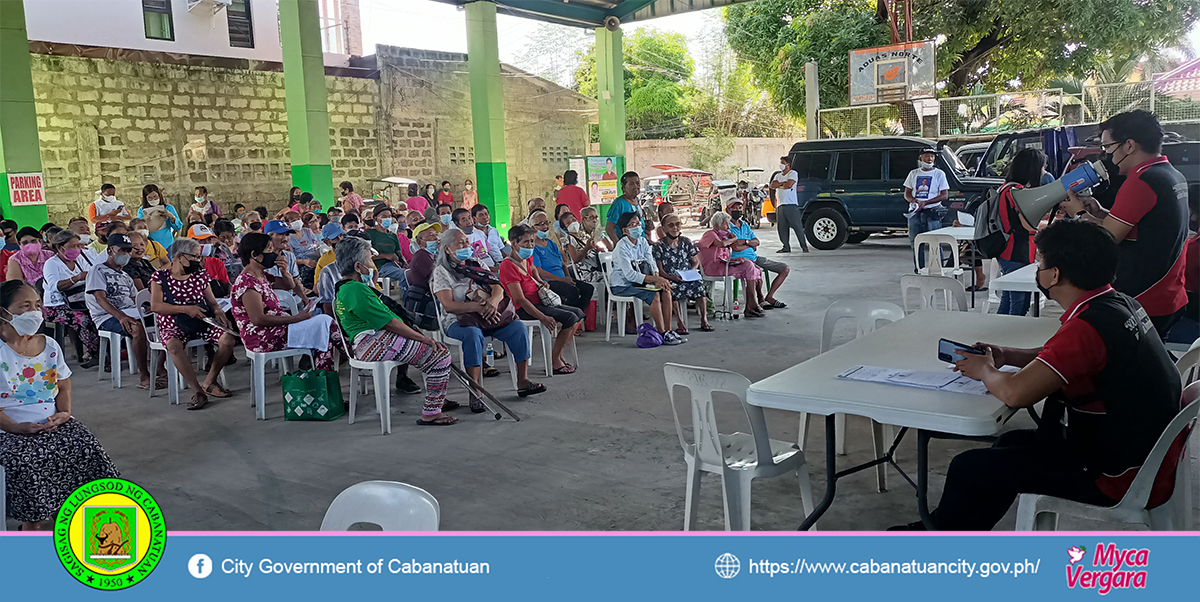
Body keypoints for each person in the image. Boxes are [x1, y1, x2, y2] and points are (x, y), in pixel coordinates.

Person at [894, 219, 1185, 531]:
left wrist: (985, 371)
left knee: (969, 467)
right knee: (1010, 442)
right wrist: (1007, 354)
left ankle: (938, 539)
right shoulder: (1117, 303)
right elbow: (1064, 357)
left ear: (1055, 274)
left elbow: (1016, 394)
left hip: (1115, 474)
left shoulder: (1086, 328)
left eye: (1041, 261)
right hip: (1137, 452)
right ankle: (952, 529)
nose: (1038, 268)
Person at [0, 280, 120, 531]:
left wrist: (64, 413)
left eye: (38, 305)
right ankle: (31, 524)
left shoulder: (49, 346)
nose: (34, 312)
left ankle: (77, 517)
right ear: (4, 313)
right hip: (7, 428)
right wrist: (16, 428)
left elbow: (63, 386)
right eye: (25, 306)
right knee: (28, 459)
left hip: (50, 420)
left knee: (86, 447)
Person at [1061, 110, 1189, 337]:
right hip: (1170, 293)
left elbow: (1107, 238)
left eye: (1108, 148)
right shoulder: (1170, 174)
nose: (1107, 156)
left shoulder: (1141, 180)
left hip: (1143, 297)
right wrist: (1101, 213)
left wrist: (1078, 212)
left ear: (1129, 145)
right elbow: (1145, 227)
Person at [333, 236, 458, 424]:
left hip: (372, 342)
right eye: (369, 261)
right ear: (358, 267)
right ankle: (431, 412)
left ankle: (437, 400)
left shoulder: (352, 288)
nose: (373, 265)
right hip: (373, 343)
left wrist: (372, 279)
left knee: (433, 355)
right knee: (439, 355)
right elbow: (390, 323)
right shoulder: (356, 291)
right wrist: (424, 339)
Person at [432, 229, 546, 399]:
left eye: (467, 242)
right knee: (473, 334)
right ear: (447, 249)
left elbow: (497, 287)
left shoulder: (476, 264)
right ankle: (475, 391)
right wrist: (478, 308)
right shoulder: (442, 271)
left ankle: (523, 381)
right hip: (458, 320)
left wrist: (493, 302)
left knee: (517, 327)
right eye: (460, 243)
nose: (466, 246)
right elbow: (449, 305)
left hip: (488, 315)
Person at [150, 238, 237, 410]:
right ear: (180, 256)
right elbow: (156, 305)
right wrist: (185, 309)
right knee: (174, 345)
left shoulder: (200, 275)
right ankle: (198, 391)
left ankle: (210, 381)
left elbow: (212, 302)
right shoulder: (160, 277)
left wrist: (220, 313)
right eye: (195, 257)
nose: (199, 261)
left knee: (228, 339)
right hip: (173, 323)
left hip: (201, 321)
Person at [232, 232, 338, 369]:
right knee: (324, 323)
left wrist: (284, 271)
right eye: (269, 249)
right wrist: (296, 318)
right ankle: (351, 355)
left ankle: (324, 376)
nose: (274, 254)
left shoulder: (262, 276)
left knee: (323, 329)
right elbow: (258, 319)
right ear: (254, 255)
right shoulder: (247, 282)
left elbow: (289, 285)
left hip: (276, 330)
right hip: (261, 337)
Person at [502, 224, 584, 373]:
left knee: (578, 314)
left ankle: (559, 353)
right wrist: (543, 317)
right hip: (524, 309)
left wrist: (539, 281)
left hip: (540, 300)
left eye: (532, 241)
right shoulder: (507, 266)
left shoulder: (527, 258)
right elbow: (519, 299)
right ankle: (555, 360)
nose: (530, 245)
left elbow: (533, 269)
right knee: (570, 317)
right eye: (526, 242)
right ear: (514, 244)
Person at [83, 233, 153, 389]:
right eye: (121, 250)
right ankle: (144, 376)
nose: (126, 254)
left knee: (163, 320)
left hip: (130, 312)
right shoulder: (98, 270)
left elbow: (135, 299)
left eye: (128, 251)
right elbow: (100, 299)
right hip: (106, 316)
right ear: (110, 251)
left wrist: (147, 307)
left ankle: (160, 370)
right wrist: (121, 316)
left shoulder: (126, 276)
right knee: (136, 327)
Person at [609, 212, 682, 344]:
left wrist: (656, 277)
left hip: (639, 282)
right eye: (633, 224)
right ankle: (661, 332)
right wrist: (654, 280)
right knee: (654, 295)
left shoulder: (642, 241)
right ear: (625, 230)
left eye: (638, 223)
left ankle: (668, 330)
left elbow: (651, 261)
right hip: (623, 285)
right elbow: (630, 275)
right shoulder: (621, 247)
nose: (638, 226)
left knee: (666, 289)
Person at [994, 149, 1044, 316]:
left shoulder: (1006, 188)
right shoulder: (1018, 192)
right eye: (1041, 167)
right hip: (1018, 252)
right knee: (1020, 304)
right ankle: (1009, 338)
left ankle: (996, 334)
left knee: (1008, 299)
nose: (1043, 171)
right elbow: (1027, 224)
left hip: (1007, 251)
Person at [42, 230, 99, 367]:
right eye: (72, 246)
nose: (76, 249)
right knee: (82, 319)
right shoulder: (51, 264)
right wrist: (76, 278)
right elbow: (55, 286)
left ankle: (106, 351)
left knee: (99, 315)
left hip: (79, 302)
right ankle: (95, 353)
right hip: (56, 306)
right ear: (61, 248)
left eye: (78, 245)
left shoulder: (81, 259)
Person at [526, 211, 594, 320]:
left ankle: (577, 319)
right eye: (540, 224)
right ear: (532, 228)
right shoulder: (533, 246)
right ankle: (569, 320)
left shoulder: (551, 243)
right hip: (548, 282)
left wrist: (567, 277)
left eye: (546, 223)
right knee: (573, 292)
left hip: (562, 278)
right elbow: (539, 272)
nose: (545, 226)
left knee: (588, 289)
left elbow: (563, 264)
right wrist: (562, 280)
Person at [653, 212, 713, 333]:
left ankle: (704, 320)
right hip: (670, 277)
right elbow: (660, 270)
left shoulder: (686, 241)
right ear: (664, 228)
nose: (675, 228)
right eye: (671, 225)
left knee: (699, 285)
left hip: (686, 275)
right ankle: (680, 323)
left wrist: (691, 271)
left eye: (678, 224)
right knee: (671, 289)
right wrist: (671, 277)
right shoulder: (659, 246)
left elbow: (695, 261)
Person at [699, 211, 764, 318]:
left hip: (723, 265)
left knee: (749, 265)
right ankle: (752, 304)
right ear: (717, 225)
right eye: (726, 224)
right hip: (713, 268)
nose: (729, 227)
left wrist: (738, 259)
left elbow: (727, 255)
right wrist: (734, 239)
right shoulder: (710, 234)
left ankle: (751, 303)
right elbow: (722, 244)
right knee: (749, 267)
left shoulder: (723, 236)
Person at [727, 200, 790, 310]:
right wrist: (750, 244)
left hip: (754, 257)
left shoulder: (745, 225)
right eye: (734, 208)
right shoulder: (727, 227)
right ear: (728, 210)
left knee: (785, 268)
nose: (737, 210)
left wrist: (745, 242)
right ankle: (760, 299)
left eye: (739, 208)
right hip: (740, 260)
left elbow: (757, 242)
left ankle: (769, 297)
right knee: (755, 270)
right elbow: (735, 247)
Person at [904, 148, 950, 270]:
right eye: (927, 156)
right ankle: (919, 269)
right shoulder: (913, 174)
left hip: (932, 212)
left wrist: (927, 202)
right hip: (915, 213)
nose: (930, 159)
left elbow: (944, 195)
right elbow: (907, 193)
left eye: (932, 156)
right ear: (920, 158)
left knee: (935, 242)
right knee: (916, 243)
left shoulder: (939, 174)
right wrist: (914, 201)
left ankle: (938, 268)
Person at [364, 205, 408, 292]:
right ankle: (408, 303)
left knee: (411, 273)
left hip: (394, 266)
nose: (387, 219)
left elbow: (399, 253)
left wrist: (404, 262)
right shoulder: (369, 234)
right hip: (378, 267)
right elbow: (366, 257)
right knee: (404, 275)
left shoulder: (393, 236)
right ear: (376, 218)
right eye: (384, 216)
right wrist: (385, 256)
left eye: (389, 216)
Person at [770, 158, 808, 254]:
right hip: (780, 205)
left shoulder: (793, 173)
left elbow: (789, 185)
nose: (781, 165)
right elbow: (772, 185)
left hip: (790, 204)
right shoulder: (778, 175)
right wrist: (783, 184)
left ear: (788, 165)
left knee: (797, 226)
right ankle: (786, 246)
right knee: (781, 228)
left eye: (783, 163)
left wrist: (780, 184)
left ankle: (804, 246)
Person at [263, 220, 308, 301]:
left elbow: (296, 282)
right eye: (280, 234)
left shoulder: (289, 256)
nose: (285, 238)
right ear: (268, 237)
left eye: (287, 234)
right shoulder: (260, 258)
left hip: (289, 300)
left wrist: (305, 298)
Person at [560, 207, 606, 285]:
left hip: (597, 267)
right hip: (585, 272)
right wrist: (586, 248)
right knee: (611, 277)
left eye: (573, 220)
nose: (572, 223)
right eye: (568, 223)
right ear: (565, 229)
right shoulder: (569, 239)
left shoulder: (585, 235)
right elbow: (575, 259)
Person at [185, 224, 231, 298]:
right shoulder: (183, 265)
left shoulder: (217, 262)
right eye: (202, 240)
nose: (206, 243)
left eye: (209, 240)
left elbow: (226, 284)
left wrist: (230, 294)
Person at [604, 172, 645, 246]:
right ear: (623, 188)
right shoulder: (619, 203)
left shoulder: (637, 201)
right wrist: (619, 245)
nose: (636, 186)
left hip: (641, 245)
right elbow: (609, 228)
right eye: (631, 184)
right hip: (626, 247)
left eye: (637, 183)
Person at [283, 210, 320, 289]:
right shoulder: (288, 238)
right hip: (301, 265)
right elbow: (290, 258)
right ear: (288, 224)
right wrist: (304, 261)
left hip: (315, 259)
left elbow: (316, 245)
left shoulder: (308, 231)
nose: (297, 221)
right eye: (294, 220)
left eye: (298, 219)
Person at [137, 184, 181, 250]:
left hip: (167, 244)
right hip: (151, 245)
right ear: (146, 198)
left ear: (159, 195)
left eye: (155, 196)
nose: (153, 199)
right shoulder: (141, 210)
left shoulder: (169, 208)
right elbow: (139, 229)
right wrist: (145, 219)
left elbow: (179, 226)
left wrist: (171, 216)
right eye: (150, 198)